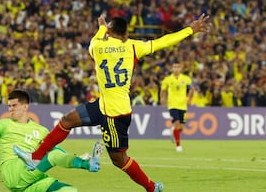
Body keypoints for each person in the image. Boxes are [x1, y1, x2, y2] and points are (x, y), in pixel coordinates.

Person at [29, 14, 211, 192]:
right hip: (108, 106)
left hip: (113, 115)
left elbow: (97, 39)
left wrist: (101, 26)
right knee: (68, 120)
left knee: (119, 160)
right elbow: (163, 41)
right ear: (125, 35)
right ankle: (36, 157)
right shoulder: (133, 47)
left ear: (109, 30)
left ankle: (151, 187)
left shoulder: (97, 46)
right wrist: (190, 30)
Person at [0, 89, 102, 192]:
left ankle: (82, 163)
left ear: (25, 106)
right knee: (51, 157)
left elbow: (55, 150)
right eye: (9, 106)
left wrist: (75, 157)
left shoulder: (41, 130)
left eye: (14, 105)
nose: (10, 109)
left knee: (70, 191)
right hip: (14, 172)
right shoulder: (5, 124)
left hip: (31, 180)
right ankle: (85, 165)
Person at [160, 60, 195, 152]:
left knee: (181, 128)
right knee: (177, 125)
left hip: (183, 105)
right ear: (172, 68)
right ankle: (178, 146)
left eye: (178, 67)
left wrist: (190, 99)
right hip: (172, 105)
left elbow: (192, 89)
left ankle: (173, 132)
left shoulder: (186, 79)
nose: (176, 69)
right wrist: (162, 99)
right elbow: (163, 91)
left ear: (181, 68)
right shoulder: (167, 79)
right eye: (174, 67)